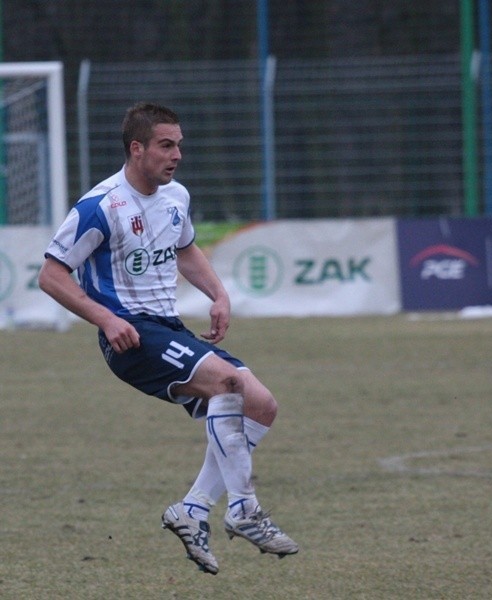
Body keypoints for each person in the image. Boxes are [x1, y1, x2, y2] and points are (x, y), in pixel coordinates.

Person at [38, 102, 298, 575]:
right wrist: (106, 320)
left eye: (179, 144)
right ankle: (242, 510)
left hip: (169, 328)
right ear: (137, 149)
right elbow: (52, 276)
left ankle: (194, 509)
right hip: (132, 337)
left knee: (262, 405)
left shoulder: (175, 196)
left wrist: (218, 294)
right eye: (165, 145)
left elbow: (185, 248)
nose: (176, 154)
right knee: (228, 384)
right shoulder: (100, 206)